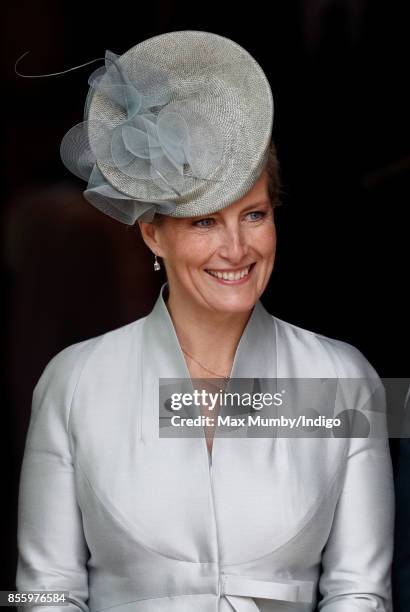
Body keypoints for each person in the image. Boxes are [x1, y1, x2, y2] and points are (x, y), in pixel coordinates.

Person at [16, 30, 394, 612]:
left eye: (255, 214)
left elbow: (362, 592)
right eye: (203, 223)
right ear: (152, 233)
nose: (236, 248)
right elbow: (38, 593)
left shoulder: (346, 381)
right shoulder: (74, 383)